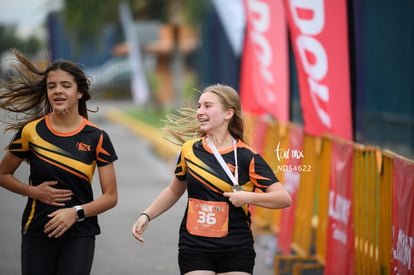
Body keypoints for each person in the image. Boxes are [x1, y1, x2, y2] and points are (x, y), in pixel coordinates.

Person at [132, 84, 292, 275]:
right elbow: (174, 190)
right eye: (199, 106)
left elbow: (284, 198)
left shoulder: (246, 156)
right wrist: (146, 215)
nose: (200, 112)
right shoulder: (189, 150)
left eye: (207, 106)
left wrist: (247, 198)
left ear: (228, 113)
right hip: (195, 245)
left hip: (236, 246)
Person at [0, 50, 118, 275]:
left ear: (80, 92)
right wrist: (32, 191)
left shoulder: (97, 137)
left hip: (79, 234)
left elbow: (111, 197)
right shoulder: (31, 131)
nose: (58, 91)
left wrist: (76, 213)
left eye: (65, 85)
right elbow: (3, 174)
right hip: (37, 230)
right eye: (52, 86)